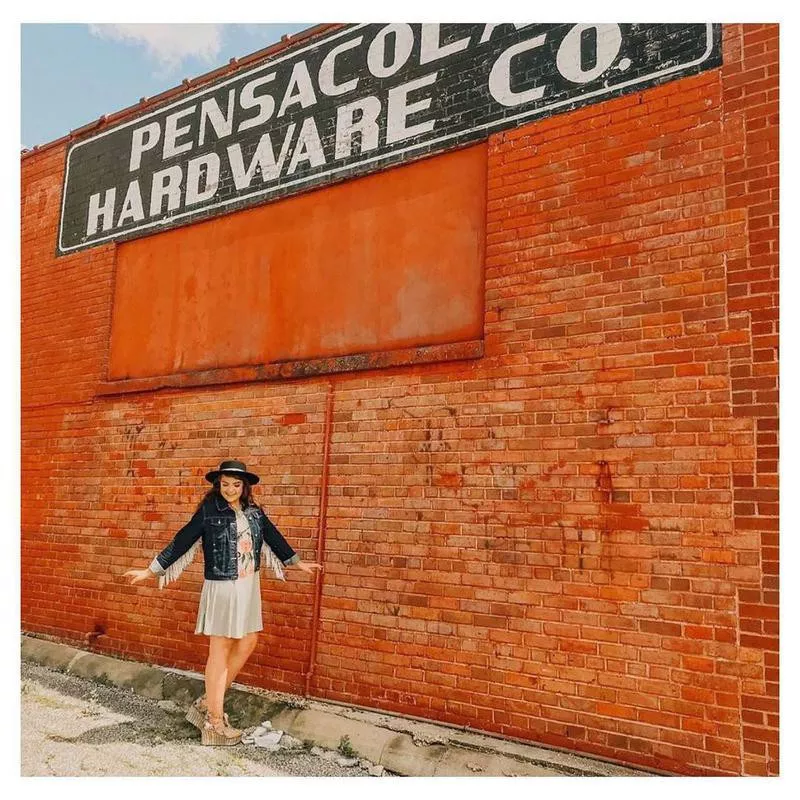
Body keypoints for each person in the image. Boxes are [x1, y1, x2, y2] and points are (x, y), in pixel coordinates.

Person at [125, 459, 322, 746]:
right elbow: (182, 540)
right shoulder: (209, 511)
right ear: (219, 485)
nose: (230, 489)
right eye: (225, 484)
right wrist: (152, 570)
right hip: (222, 585)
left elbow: (273, 536)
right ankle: (214, 723)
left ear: (245, 487)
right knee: (221, 648)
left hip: (248, 585)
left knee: (248, 640)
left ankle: (208, 703)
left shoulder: (254, 512)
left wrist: (297, 562)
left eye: (236, 485)